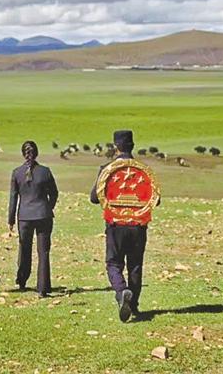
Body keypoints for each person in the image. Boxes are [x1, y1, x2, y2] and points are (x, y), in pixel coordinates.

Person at [90, 130, 159, 322]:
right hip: (138, 225)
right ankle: (133, 305)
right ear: (132, 146)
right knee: (135, 265)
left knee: (114, 263)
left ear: (115, 147)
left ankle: (121, 291)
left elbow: (94, 198)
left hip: (115, 225)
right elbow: (155, 199)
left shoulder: (107, 168)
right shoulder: (143, 169)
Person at [8, 141, 59, 297]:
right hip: (43, 215)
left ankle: (22, 280)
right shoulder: (45, 171)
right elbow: (54, 193)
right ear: (36, 153)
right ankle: (43, 287)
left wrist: (11, 219)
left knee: (24, 248)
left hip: (24, 216)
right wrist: (48, 207)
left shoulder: (17, 173)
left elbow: (13, 198)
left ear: (23, 154)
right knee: (43, 251)